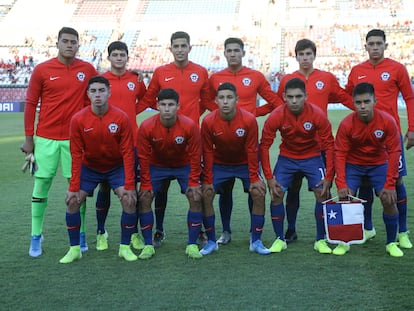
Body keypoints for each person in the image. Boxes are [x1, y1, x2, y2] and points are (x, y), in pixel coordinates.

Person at [21, 27, 98, 257]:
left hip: (75, 140)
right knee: (41, 185)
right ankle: (36, 236)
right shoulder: (42, 70)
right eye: (65, 41)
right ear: (57, 43)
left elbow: (91, 103)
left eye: (74, 42)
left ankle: (81, 234)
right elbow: (31, 103)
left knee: (77, 188)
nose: (69, 45)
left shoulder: (87, 69)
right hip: (45, 138)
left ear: (78, 45)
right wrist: (28, 139)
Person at [205, 37, 284, 245]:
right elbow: (206, 100)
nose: (233, 54)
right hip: (223, 143)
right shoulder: (215, 78)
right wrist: (222, 116)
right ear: (224, 53)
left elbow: (276, 102)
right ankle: (226, 232)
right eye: (229, 50)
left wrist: (253, 113)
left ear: (243, 53)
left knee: (253, 189)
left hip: (247, 142)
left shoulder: (255, 76)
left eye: (236, 50)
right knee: (224, 191)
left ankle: (253, 232)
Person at [276, 39, 354, 244]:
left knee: (323, 190)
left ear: (314, 55)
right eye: (301, 54)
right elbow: (278, 104)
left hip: (321, 147)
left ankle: (325, 233)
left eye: (308, 54)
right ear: (296, 57)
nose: (305, 58)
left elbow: (343, 97)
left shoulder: (326, 78)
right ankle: (290, 229)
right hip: (293, 147)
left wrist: (371, 110)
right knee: (292, 190)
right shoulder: (287, 80)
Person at [138, 31, 210, 247]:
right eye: (176, 46)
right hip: (162, 142)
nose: (180, 49)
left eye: (183, 45)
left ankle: (199, 232)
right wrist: (127, 112)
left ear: (190, 47)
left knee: (197, 190)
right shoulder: (161, 72)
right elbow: (150, 99)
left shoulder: (200, 71)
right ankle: (159, 230)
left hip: (189, 141)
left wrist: (191, 117)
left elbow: (206, 101)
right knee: (158, 191)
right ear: (171, 48)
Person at [345, 29, 414, 249]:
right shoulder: (357, 71)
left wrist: (412, 128)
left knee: (396, 182)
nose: (375, 47)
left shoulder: (397, 69)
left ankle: (402, 231)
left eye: (379, 43)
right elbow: (348, 95)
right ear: (365, 46)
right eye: (371, 44)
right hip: (364, 138)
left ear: (386, 45)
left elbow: (410, 97)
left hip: (389, 137)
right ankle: (368, 228)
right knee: (365, 182)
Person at [60, 76, 137, 263]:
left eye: (101, 91)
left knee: (128, 199)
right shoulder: (78, 120)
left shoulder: (121, 118)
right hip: (90, 167)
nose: (97, 95)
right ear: (88, 94)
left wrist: (129, 184)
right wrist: (74, 186)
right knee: (72, 201)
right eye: (93, 91)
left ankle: (124, 247)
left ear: (109, 93)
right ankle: (74, 249)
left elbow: (127, 152)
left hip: (115, 167)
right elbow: (76, 154)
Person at [259, 78, 335, 254]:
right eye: (290, 97)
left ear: (306, 96)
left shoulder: (317, 114)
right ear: (284, 96)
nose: (294, 101)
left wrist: (329, 176)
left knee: (322, 192)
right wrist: (269, 178)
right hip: (287, 158)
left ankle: (320, 240)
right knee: (277, 193)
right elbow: (264, 146)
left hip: (312, 157)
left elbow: (330, 145)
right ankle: (280, 239)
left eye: (298, 96)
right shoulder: (277, 115)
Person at [334, 82, 403, 257]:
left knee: (388, 199)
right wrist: (341, 183)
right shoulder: (346, 124)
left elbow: (395, 151)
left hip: (379, 164)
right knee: (346, 196)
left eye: (366, 101)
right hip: (354, 165)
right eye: (358, 102)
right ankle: (345, 241)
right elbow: (340, 153)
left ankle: (391, 242)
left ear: (375, 100)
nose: (362, 106)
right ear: (353, 103)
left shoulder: (387, 121)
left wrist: (390, 183)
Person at [200, 82, 270, 255]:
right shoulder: (208, 121)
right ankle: (214, 239)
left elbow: (252, 149)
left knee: (258, 192)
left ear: (237, 99)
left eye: (229, 98)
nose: (225, 102)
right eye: (222, 98)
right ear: (215, 100)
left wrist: (254, 178)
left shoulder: (249, 120)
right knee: (206, 193)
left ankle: (256, 240)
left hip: (244, 163)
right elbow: (207, 151)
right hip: (220, 163)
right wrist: (208, 180)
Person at [137, 88, 203, 259]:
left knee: (195, 196)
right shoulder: (146, 126)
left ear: (178, 106)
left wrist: (194, 182)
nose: (167, 108)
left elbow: (196, 156)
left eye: (171, 105)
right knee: (144, 196)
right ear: (157, 106)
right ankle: (148, 244)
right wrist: (145, 183)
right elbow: (143, 157)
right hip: (157, 165)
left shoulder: (189, 125)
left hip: (183, 165)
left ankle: (192, 244)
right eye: (163, 105)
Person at [95, 41, 147, 252]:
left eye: (122, 54)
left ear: (127, 57)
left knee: (130, 188)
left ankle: (133, 233)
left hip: (130, 142)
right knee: (104, 186)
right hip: (105, 143)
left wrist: (131, 114)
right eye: (115, 54)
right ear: (109, 57)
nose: (119, 58)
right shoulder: (101, 81)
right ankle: (101, 232)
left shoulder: (135, 80)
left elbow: (145, 99)